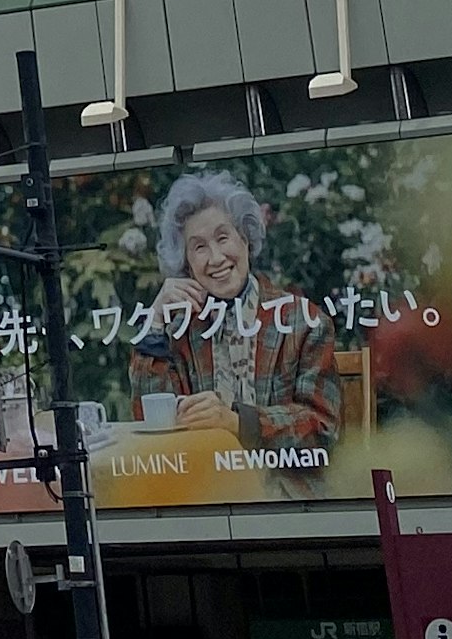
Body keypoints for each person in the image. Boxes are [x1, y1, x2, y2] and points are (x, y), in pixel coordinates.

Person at [129, 167, 339, 451]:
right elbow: (150, 422)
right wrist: (154, 322)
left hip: (283, 488)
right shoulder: (180, 328)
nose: (216, 258)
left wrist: (237, 422)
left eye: (223, 237)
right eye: (199, 247)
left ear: (246, 238)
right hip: (204, 486)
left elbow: (323, 430)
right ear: (186, 263)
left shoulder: (303, 322)